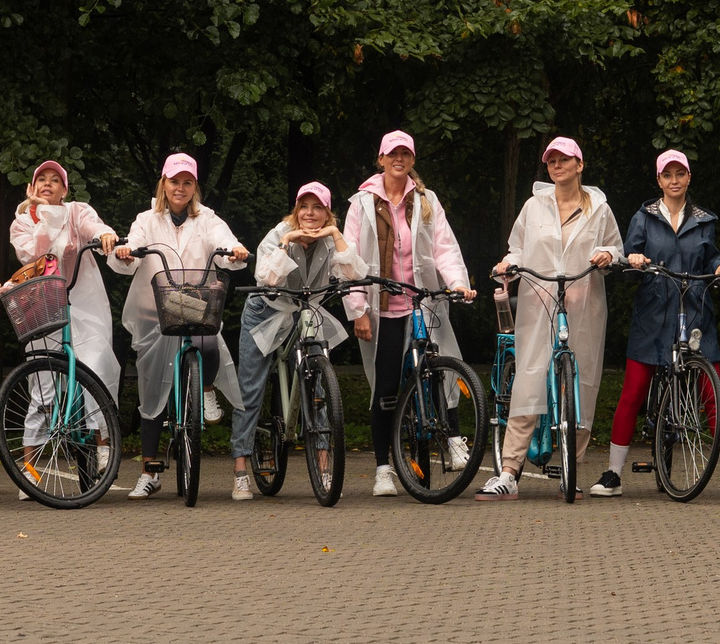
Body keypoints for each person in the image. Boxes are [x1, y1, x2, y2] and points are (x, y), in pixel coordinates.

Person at [475, 137, 620, 501]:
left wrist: (606, 255)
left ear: (579, 165)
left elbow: (615, 248)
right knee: (528, 378)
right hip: (539, 300)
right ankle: (509, 471)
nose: (557, 165)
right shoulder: (534, 206)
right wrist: (509, 263)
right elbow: (518, 247)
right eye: (551, 160)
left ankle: (571, 467)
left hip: (582, 300)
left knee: (582, 379)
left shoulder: (599, 207)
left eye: (564, 159)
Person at [597, 149, 720, 498]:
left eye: (680, 174)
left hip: (695, 312)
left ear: (688, 177)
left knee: (712, 394)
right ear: (658, 179)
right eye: (667, 175)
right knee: (632, 392)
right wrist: (633, 258)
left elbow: (713, 257)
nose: (674, 180)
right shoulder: (643, 217)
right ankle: (612, 474)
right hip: (653, 315)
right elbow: (628, 257)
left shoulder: (704, 219)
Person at [107, 154, 247, 499]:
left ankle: (207, 388)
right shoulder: (146, 219)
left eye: (187, 182)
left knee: (210, 344)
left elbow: (225, 242)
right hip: (154, 311)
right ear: (164, 184)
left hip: (195, 307)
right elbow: (131, 246)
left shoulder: (207, 219)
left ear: (194, 187)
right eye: (174, 181)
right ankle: (150, 471)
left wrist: (236, 251)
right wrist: (126, 252)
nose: (180, 188)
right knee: (152, 391)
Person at [344, 131, 478, 482]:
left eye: (406, 153)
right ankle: (383, 468)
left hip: (423, 301)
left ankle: (451, 437)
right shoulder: (361, 204)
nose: (399, 159)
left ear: (413, 160)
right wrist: (358, 308)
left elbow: (444, 248)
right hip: (383, 306)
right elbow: (350, 260)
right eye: (393, 154)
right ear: (381, 159)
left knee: (439, 370)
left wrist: (458, 283)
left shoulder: (425, 199)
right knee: (385, 387)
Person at [234, 182, 365, 499]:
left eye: (317, 207)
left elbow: (354, 274)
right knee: (250, 388)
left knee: (319, 391)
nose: (310, 213)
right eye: (304, 206)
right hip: (266, 310)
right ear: (296, 210)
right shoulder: (280, 232)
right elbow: (266, 278)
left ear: (327, 214)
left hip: (306, 312)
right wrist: (287, 240)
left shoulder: (331, 239)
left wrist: (335, 235)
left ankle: (324, 469)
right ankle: (240, 471)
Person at [6, 160, 124, 499]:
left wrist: (103, 234)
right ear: (31, 187)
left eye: (54, 181)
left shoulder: (76, 211)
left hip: (82, 301)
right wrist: (42, 213)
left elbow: (93, 225)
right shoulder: (21, 222)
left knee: (96, 363)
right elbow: (37, 253)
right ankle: (29, 471)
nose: (47, 184)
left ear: (65, 189)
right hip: (42, 302)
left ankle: (102, 443)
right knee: (41, 389)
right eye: (41, 179)